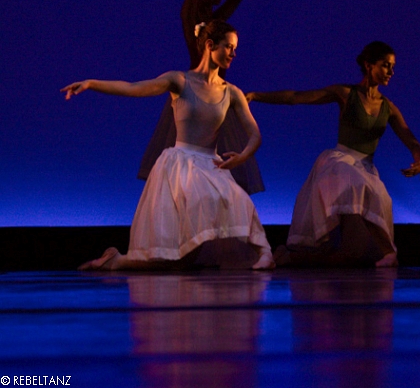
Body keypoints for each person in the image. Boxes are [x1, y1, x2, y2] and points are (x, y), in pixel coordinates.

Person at [63, 20, 274, 270]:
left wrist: (242, 157)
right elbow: (134, 88)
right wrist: (91, 83)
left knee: (238, 201)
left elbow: (255, 134)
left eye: (235, 48)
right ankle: (115, 260)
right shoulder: (180, 81)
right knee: (168, 258)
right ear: (210, 45)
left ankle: (265, 252)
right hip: (179, 167)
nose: (233, 53)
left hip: (212, 165)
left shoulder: (231, 92)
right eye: (228, 47)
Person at [247, 41, 420, 267]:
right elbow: (296, 97)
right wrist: (256, 95)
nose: (391, 71)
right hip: (340, 165)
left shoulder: (388, 107)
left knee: (352, 254)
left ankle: (288, 258)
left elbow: (410, 138)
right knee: (357, 184)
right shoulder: (346, 94)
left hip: (365, 169)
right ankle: (389, 252)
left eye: (392, 67)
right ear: (368, 65)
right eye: (385, 65)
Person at [138, 0, 266, 195]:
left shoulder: (218, 21)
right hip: (194, 97)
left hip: (218, 96)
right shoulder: (190, 17)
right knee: (186, 174)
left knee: (224, 175)